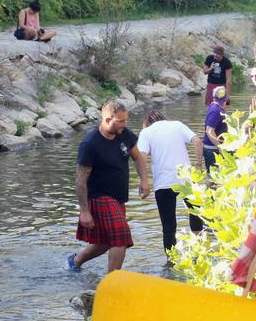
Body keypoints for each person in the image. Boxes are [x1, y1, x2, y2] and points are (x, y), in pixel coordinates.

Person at [68, 100, 149, 273]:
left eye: (125, 120)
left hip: (118, 197)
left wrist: (144, 180)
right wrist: (84, 211)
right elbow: (80, 180)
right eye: (121, 121)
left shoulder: (125, 134)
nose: (124, 124)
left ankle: (75, 261)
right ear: (107, 120)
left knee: (105, 243)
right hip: (99, 197)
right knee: (120, 238)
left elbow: (138, 157)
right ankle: (112, 282)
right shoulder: (89, 144)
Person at [136, 107, 204, 252]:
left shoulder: (146, 132)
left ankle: (170, 263)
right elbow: (198, 141)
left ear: (147, 122)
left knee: (168, 228)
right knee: (196, 217)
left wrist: (144, 181)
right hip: (186, 180)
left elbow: (141, 156)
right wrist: (198, 166)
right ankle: (199, 253)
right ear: (163, 117)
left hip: (163, 184)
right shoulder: (177, 125)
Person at [202, 86, 228, 172]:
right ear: (224, 100)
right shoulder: (215, 111)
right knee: (214, 178)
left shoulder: (214, 107)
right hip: (212, 150)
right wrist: (220, 147)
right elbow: (209, 130)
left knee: (215, 179)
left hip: (212, 149)